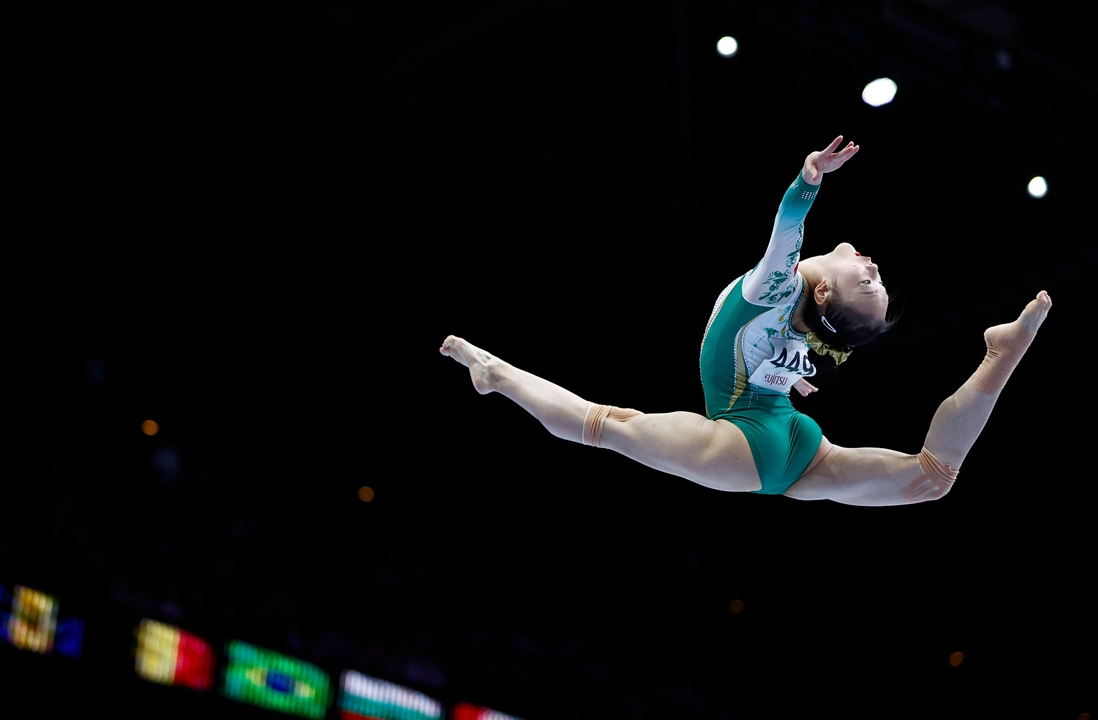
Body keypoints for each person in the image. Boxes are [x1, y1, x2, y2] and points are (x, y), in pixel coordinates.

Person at [439, 136, 1051, 507]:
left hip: (746, 444)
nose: (874, 269)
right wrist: (794, 375)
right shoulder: (803, 328)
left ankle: (499, 374)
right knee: (932, 479)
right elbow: (787, 355)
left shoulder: (778, 287)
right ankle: (1000, 358)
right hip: (795, 448)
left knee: (604, 426)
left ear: (823, 288)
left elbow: (789, 230)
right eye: (878, 282)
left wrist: (809, 177)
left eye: (869, 284)